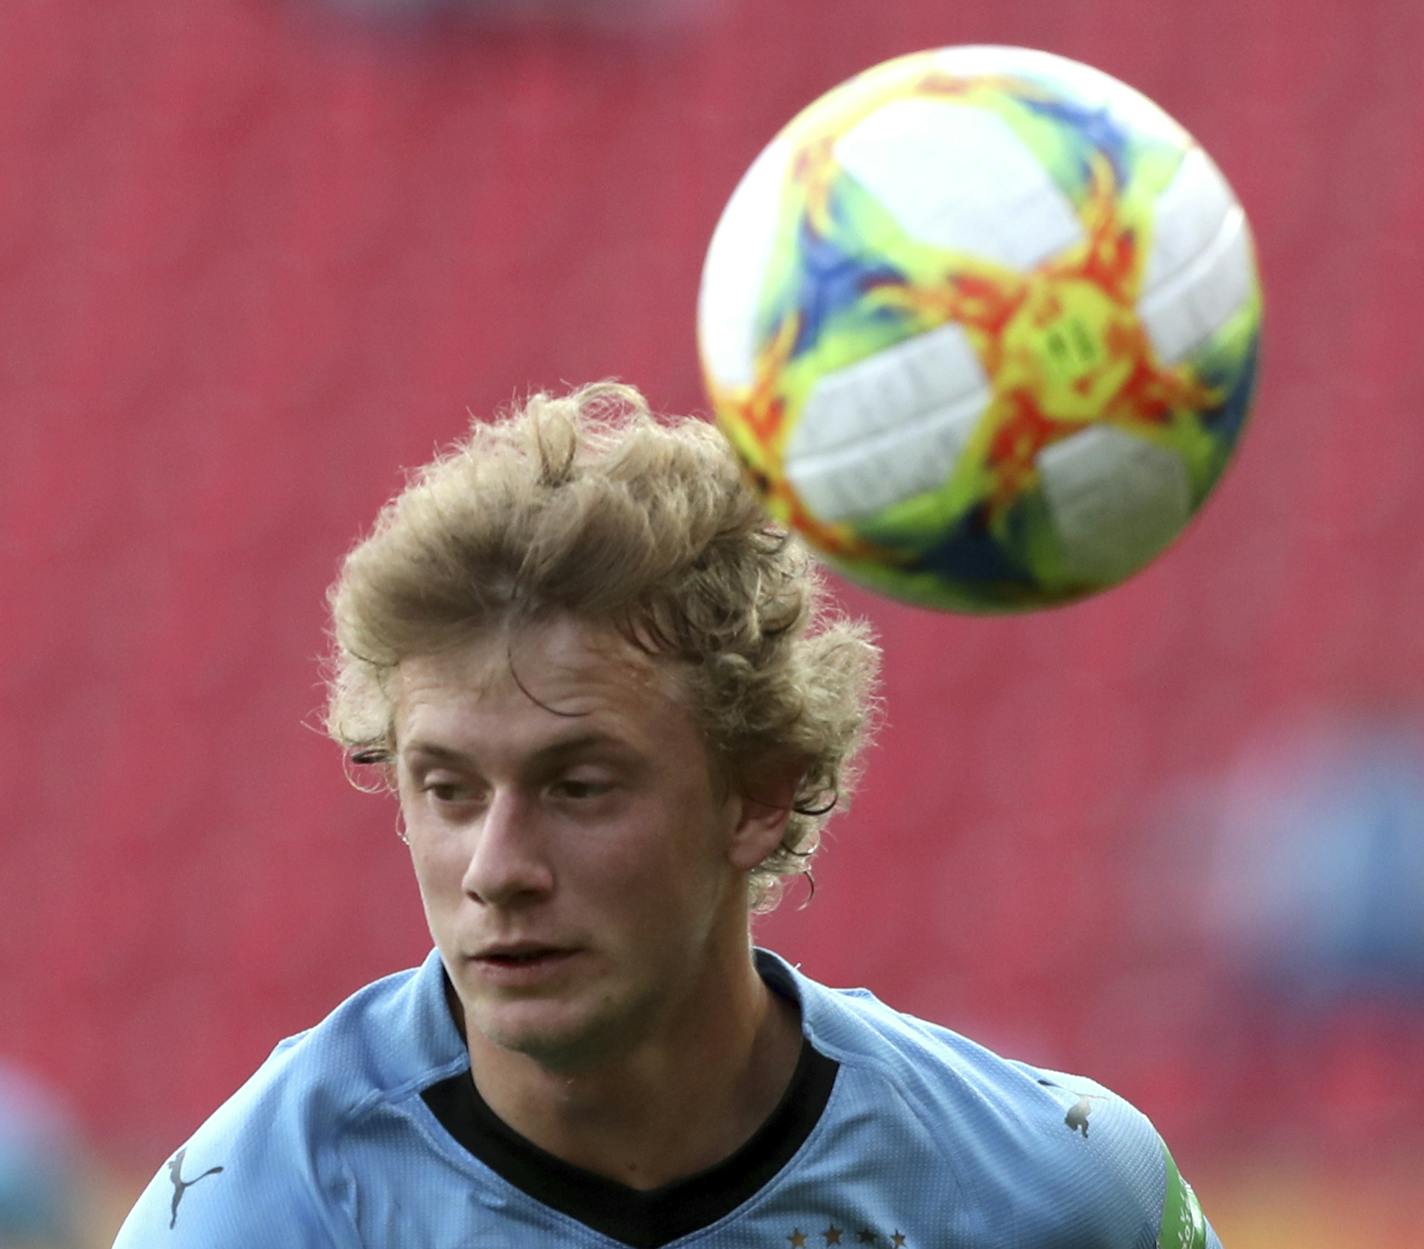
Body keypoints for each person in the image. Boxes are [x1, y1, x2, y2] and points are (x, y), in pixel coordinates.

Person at [114, 382, 1220, 1247]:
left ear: (759, 791)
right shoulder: (265, 1211)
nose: (496, 868)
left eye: (577, 785)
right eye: (446, 788)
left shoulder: (1046, 1194)